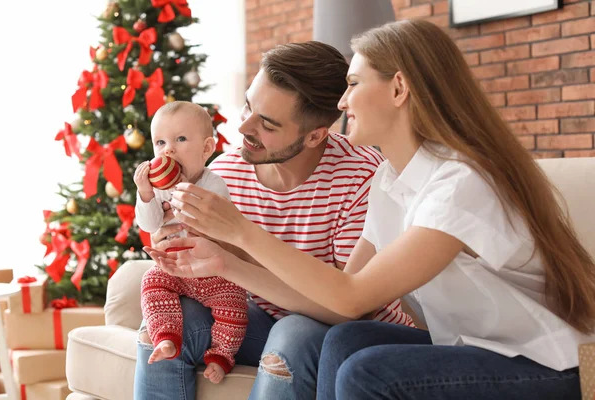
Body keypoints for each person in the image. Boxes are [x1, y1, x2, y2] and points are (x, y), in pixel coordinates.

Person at [151, 19, 595, 400]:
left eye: (354, 84)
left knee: (366, 371)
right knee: (348, 338)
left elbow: (353, 296)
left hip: (554, 364)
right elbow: (344, 303)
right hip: (473, 346)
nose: (342, 103)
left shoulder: (460, 184)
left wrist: (240, 232)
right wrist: (225, 261)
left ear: (398, 88)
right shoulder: (392, 180)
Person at [135, 41, 414, 400]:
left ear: (315, 135)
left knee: (294, 332)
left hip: (336, 331)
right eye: (248, 107)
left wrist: (234, 249)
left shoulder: (361, 179)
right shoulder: (222, 173)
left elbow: (347, 307)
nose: (243, 130)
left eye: (265, 123)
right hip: (254, 320)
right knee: (166, 323)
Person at [134, 101, 248, 384]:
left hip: (214, 273)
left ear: (207, 149)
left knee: (233, 306)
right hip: (176, 269)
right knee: (151, 282)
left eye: (180, 139)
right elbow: (149, 225)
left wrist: (182, 188)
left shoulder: (214, 185)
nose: (168, 150)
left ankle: (222, 355)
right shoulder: (158, 189)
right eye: (160, 142)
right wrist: (146, 194)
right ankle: (166, 337)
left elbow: (212, 224)